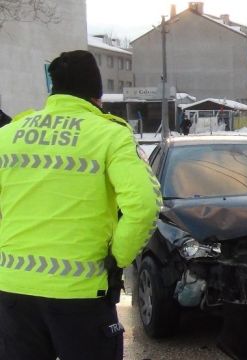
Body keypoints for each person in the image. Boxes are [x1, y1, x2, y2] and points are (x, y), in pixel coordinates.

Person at [0, 50, 161, 360]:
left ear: (53, 89)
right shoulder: (110, 135)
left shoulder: (7, 136)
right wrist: (119, 257)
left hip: (12, 292)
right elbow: (145, 204)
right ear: (96, 95)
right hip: (81, 293)